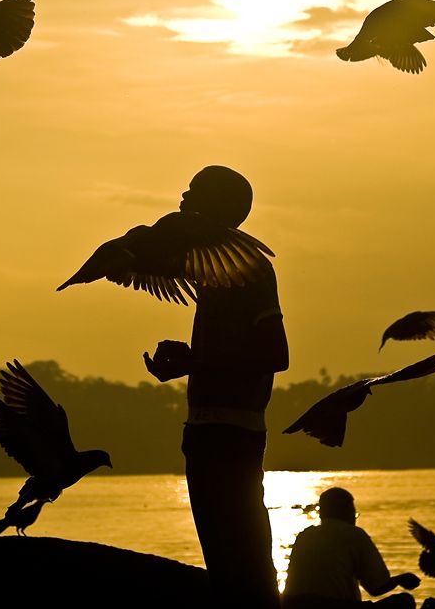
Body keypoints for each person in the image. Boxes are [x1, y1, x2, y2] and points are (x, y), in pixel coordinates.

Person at [145, 165, 289, 609]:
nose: (184, 197)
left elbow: (275, 356)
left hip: (233, 435)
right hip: (205, 433)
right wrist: (189, 362)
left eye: (195, 191)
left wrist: (196, 360)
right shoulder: (209, 274)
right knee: (224, 559)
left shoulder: (250, 269)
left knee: (242, 558)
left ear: (223, 208)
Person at [283, 488, 421, 609]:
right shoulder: (355, 535)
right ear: (347, 511)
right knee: (404, 601)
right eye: (354, 514)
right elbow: (376, 587)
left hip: (294, 605)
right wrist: (401, 579)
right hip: (337, 607)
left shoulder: (304, 536)